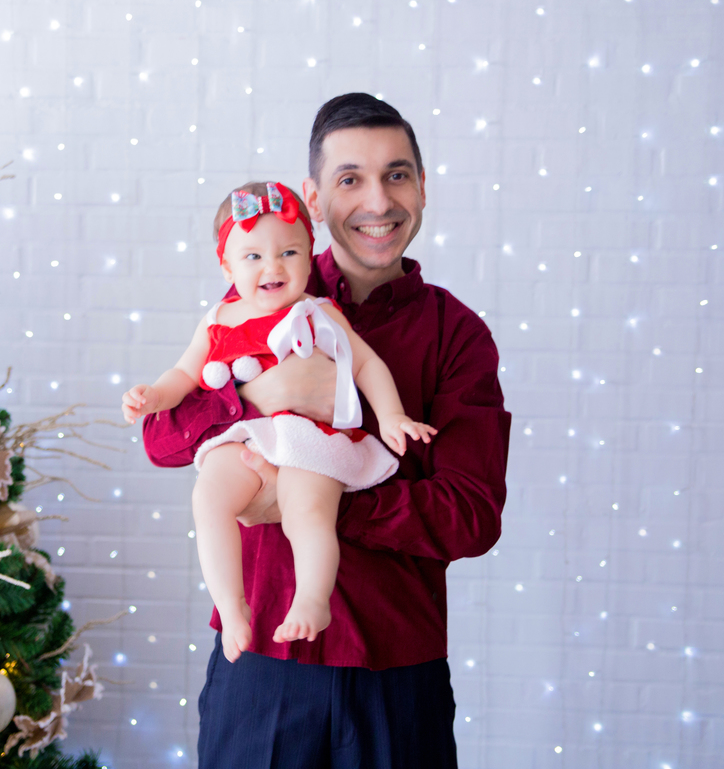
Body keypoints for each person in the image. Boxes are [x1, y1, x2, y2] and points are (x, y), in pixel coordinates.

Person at [142, 93, 512, 768]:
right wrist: (255, 396)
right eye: (350, 179)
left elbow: (470, 518)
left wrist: (313, 498)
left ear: (423, 187)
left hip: (398, 676)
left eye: (397, 174)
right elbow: (162, 440)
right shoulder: (255, 296)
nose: (378, 200)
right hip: (262, 672)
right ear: (313, 197)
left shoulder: (458, 335)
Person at [122, 180, 437, 664]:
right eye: (252, 257)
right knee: (209, 497)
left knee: (305, 510)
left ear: (310, 257)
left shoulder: (318, 312)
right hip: (248, 432)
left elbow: (367, 364)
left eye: (289, 252)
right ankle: (232, 607)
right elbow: (186, 374)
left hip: (308, 433)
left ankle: (313, 597)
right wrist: (153, 395)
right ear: (226, 265)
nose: (273, 267)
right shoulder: (219, 318)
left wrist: (392, 415)